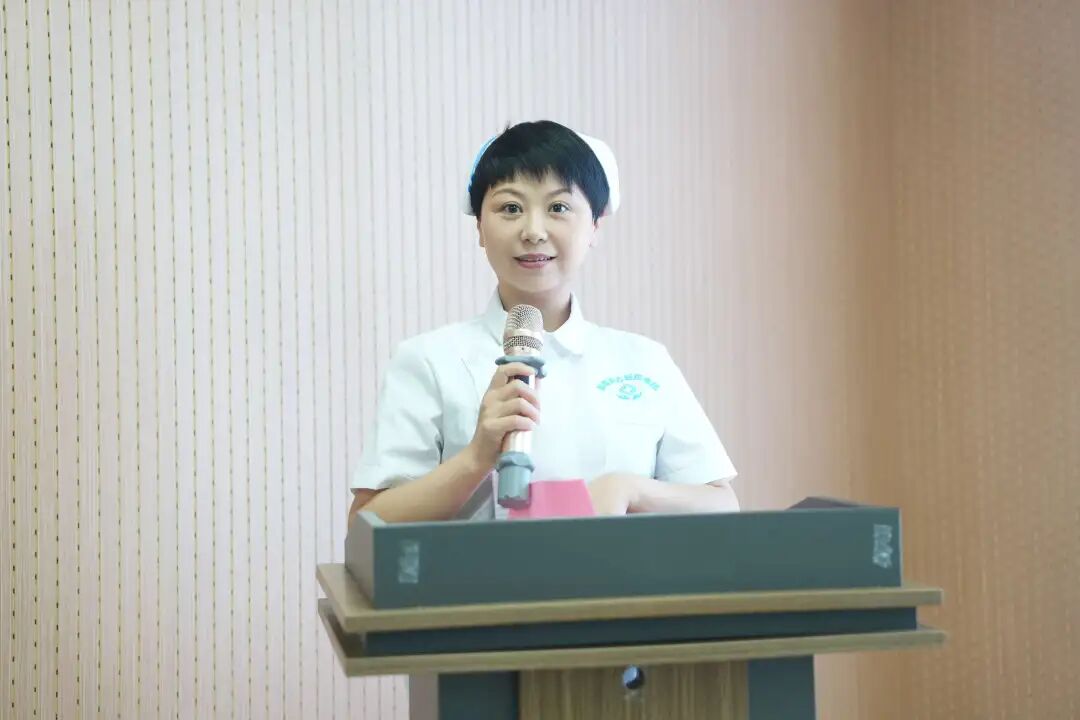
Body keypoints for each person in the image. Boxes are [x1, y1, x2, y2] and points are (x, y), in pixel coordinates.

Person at [348, 120, 738, 524]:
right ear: (479, 227)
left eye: (558, 208)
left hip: (619, 568)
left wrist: (628, 489)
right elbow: (366, 522)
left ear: (595, 226)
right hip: (480, 569)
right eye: (510, 208)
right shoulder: (428, 360)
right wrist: (475, 457)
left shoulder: (644, 359)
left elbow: (721, 503)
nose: (533, 232)